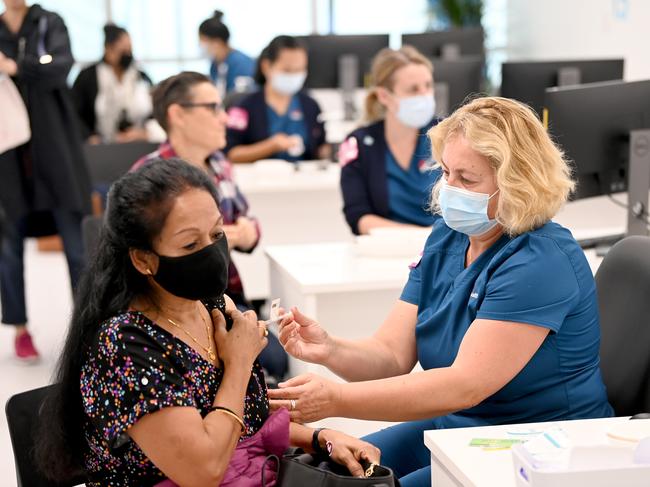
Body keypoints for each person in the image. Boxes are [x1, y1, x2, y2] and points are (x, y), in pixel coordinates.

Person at [269, 96, 615, 486]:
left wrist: (335, 399)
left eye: (467, 179)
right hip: (462, 424)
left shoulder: (540, 259)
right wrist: (330, 349)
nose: (449, 188)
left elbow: (463, 384)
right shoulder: (450, 235)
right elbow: (391, 353)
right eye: (446, 172)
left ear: (517, 183)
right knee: (333, 476)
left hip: (538, 441)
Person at [35, 158, 380, 486]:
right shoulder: (124, 344)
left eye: (216, 234)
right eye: (190, 243)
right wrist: (239, 363)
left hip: (249, 472)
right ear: (143, 259)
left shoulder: (212, 307)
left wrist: (321, 438)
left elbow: (244, 422)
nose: (212, 251)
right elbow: (204, 470)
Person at [131, 71, 288, 382]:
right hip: (176, 303)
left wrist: (246, 231)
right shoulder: (149, 179)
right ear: (178, 115)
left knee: (276, 354)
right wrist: (206, 239)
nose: (225, 118)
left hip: (224, 293)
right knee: (265, 358)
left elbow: (248, 220)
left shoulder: (219, 164)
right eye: (213, 108)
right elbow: (135, 259)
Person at [0, 0, 91, 361]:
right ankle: (21, 329)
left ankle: (87, 331)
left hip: (55, 152)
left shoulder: (49, 22)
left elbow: (60, 67)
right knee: (8, 247)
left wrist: (16, 66)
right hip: (9, 156)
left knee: (78, 248)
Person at [339, 46, 442, 235]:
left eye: (428, 86)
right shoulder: (359, 144)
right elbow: (358, 216)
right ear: (384, 96)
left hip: (446, 251)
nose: (424, 95)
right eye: (413, 89)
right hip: (387, 249)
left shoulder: (448, 135)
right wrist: (420, 237)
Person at [225, 35, 329, 163]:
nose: (294, 75)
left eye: (300, 70)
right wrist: (271, 146)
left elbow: (321, 147)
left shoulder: (310, 105)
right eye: (287, 70)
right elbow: (230, 153)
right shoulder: (244, 107)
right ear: (266, 66)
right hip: (258, 180)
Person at [72, 23, 154, 144]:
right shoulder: (88, 77)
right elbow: (74, 113)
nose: (127, 55)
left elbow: (154, 111)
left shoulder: (141, 76)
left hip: (137, 143)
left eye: (129, 50)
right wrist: (88, 137)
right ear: (108, 48)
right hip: (100, 146)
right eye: (123, 51)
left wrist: (143, 133)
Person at [198, 10, 255, 97]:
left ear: (216, 42)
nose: (200, 45)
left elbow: (245, 98)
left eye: (202, 41)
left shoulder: (242, 63)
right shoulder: (215, 65)